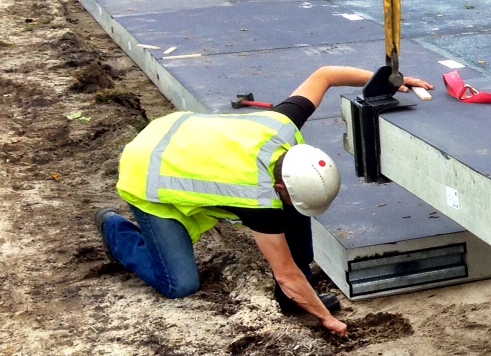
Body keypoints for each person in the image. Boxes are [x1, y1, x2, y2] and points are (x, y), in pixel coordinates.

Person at [96, 65, 432, 336]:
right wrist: (325, 318)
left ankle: (294, 301)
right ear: (280, 188)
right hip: (147, 168)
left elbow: (325, 75)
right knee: (179, 283)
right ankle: (115, 230)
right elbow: (285, 273)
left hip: (181, 135)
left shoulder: (284, 126)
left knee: (295, 219)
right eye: (289, 199)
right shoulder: (254, 196)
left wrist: (385, 80)